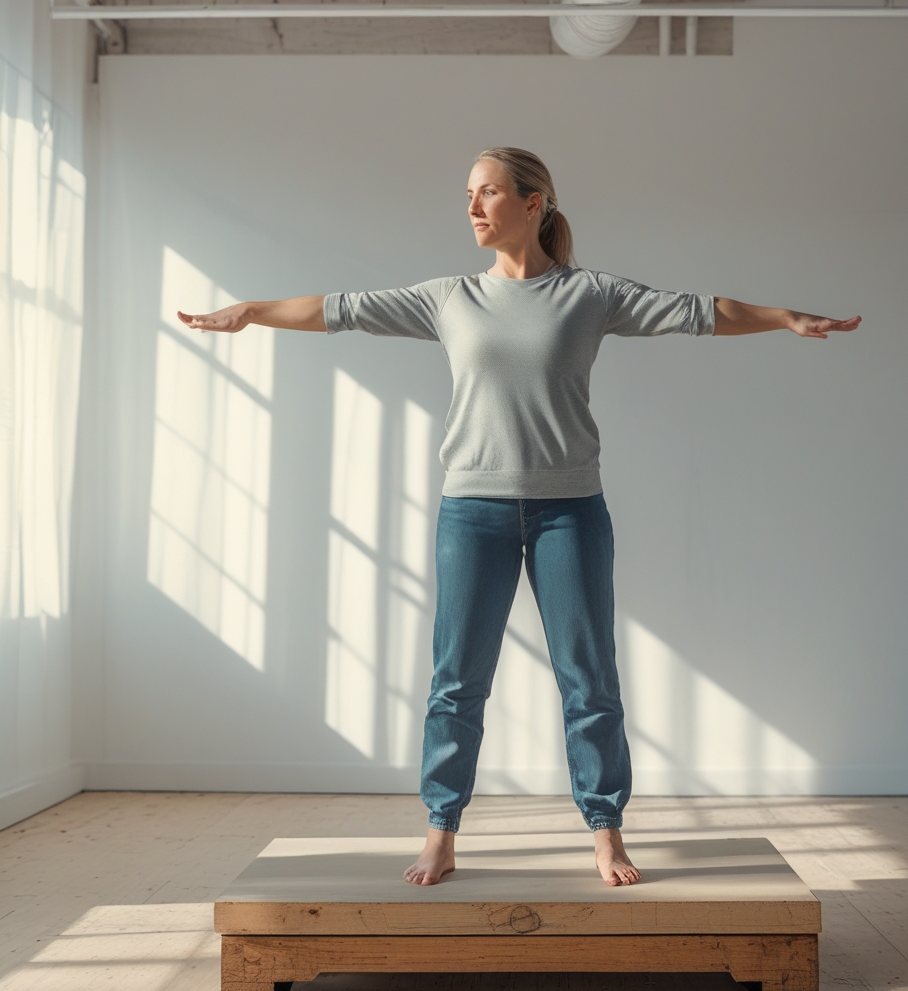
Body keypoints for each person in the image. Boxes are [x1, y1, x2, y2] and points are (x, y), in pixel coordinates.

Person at [178, 147, 861, 889]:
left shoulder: (589, 294)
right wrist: (250, 311)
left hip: (571, 512)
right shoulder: (450, 298)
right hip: (472, 512)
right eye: (469, 194)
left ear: (534, 203)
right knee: (456, 682)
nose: (473, 206)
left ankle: (606, 833)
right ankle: (441, 832)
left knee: (589, 678)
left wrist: (783, 318)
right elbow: (341, 310)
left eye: (490, 192)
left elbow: (699, 312)